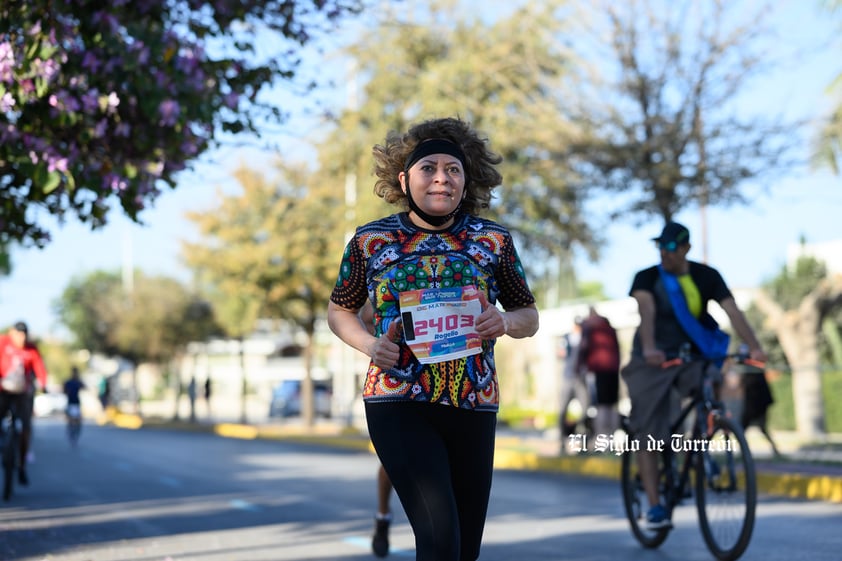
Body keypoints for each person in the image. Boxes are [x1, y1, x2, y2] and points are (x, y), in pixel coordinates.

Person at [327, 117, 539, 561]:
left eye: (453, 169)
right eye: (429, 168)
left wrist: (503, 322)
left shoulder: (493, 240)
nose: (442, 177)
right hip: (399, 399)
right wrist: (370, 345)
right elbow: (340, 311)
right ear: (404, 179)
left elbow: (528, 315)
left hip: (473, 402)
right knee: (440, 540)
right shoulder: (371, 240)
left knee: (465, 550)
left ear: (466, 180)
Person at [621, 221, 766, 530]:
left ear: (685, 248)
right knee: (649, 429)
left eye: (670, 247)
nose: (664, 252)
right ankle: (655, 505)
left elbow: (732, 311)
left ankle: (707, 438)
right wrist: (649, 348)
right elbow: (646, 311)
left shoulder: (706, 276)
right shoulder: (647, 277)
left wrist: (754, 346)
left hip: (692, 355)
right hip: (653, 359)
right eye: (660, 246)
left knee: (710, 386)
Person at [0, 321, 48, 486]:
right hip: (3, 390)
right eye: (18, 334)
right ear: (11, 333)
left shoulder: (31, 349)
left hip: (22, 392)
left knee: (25, 428)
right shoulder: (3, 343)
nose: (21, 338)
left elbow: (39, 367)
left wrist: (43, 383)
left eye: (24, 334)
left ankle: (21, 466)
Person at [578, 306, 621, 438]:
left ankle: (601, 439)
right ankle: (614, 439)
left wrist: (580, 365)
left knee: (601, 405)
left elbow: (584, 346)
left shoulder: (589, 328)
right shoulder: (610, 328)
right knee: (612, 405)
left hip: (598, 369)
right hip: (613, 369)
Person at [557, 318, 589, 453]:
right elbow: (559, 353)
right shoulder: (566, 338)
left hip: (581, 378)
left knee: (585, 411)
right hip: (568, 377)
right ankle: (562, 441)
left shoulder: (586, 339)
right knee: (562, 410)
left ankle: (583, 442)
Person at [63, 366, 85, 445]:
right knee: (71, 420)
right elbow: (64, 391)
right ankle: (71, 432)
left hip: (76, 403)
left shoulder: (78, 382)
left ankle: (75, 433)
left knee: (78, 421)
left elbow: (84, 387)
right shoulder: (69, 382)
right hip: (71, 403)